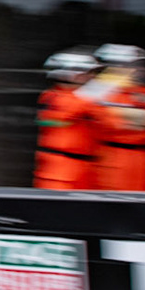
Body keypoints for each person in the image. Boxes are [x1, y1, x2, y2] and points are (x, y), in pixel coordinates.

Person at [82, 43, 145, 192]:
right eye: (134, 65)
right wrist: (143, 118)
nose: (140, 69)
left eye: (141, 65)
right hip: (115, 159)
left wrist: (124, 114)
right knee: (114, 204)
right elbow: (108, 121)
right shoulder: (99, 93)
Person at [35, 50, 102, 191]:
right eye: (86, 73)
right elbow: (69, 112)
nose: (92, 77)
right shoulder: (53, 97)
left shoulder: (83, 98)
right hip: (60, 174)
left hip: (85, 170)